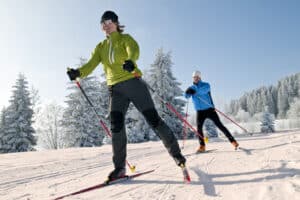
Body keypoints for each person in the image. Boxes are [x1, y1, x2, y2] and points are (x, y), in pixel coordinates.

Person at [67, 10, 186, 181]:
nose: (105, 26)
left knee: (153, 120)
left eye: (108, 22)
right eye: (102, 24)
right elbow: (91, 64)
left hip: (133, 83)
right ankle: (120, 168)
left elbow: (134, 51)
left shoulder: (125, 39)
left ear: (116, 23)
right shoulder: (101, 47)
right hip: (115, 89)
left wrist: (130, 61)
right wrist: (77, 72)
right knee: (116, 126)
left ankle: (177, 155)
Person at [184, 70, 239, 153]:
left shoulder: (206, 85)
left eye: (197, 77)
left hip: (209, 109)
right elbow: (186, 96)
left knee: (220, 125)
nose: (195, 79)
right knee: (199, 129)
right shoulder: (191, 87)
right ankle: (202, 146)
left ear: (200, 77)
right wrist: (187, 92)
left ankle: (233, 141)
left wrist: (194, 89)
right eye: (194, 77)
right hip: (200, 111)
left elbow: (202, 91)